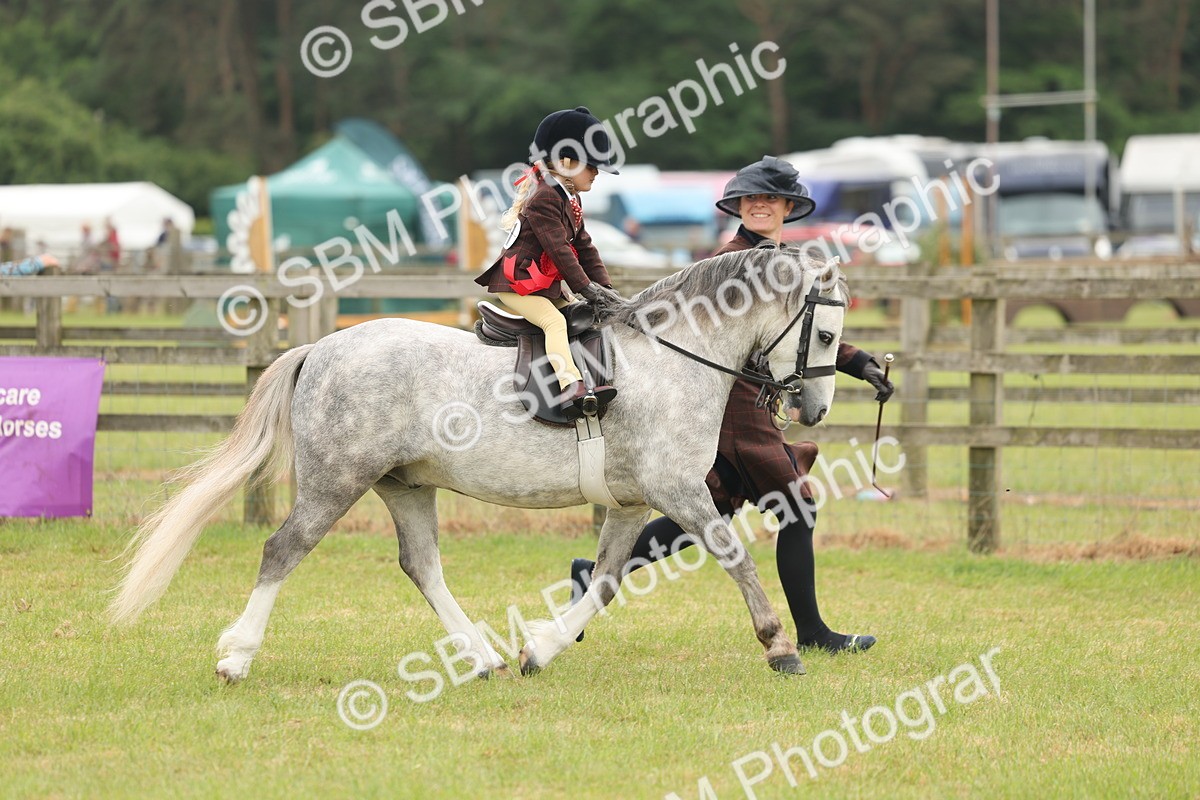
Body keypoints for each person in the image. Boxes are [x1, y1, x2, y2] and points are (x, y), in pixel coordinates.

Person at [568, 156, 894, 654]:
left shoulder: (781, 261)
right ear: (739, 206)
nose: (760, 205)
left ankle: (591, 574)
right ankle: (812, 633)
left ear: (789, 207)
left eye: (770, 198)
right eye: (751, 198)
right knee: (797, 507)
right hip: (733, 405)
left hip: (743, 401)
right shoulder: (733, 263)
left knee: (711, 510)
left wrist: (860, 362)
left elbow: (801, 334)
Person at [474, 106, 625, 419]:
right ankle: (570, 385)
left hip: (542, 284)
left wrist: (606, 289)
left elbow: (584, 246)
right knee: (554, 323)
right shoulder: (544, 197)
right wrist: (587, 288)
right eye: (591, 165)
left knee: (582, 316)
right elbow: (559, 249)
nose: (597, 173)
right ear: (566, 162)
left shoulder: (570, 198)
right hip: (517, 283)